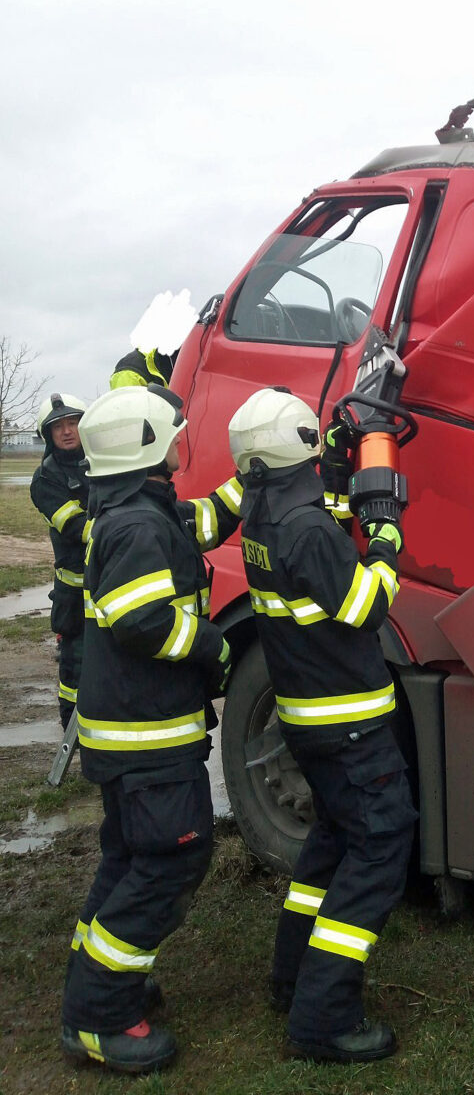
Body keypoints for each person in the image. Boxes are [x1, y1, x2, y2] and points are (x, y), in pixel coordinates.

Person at [228, 387, 416, 1063]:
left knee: (332, 845)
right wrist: (388, 533)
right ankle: (323, 1018)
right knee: (379, 846)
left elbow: (319, 539)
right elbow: (365, 603)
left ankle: (292, 976)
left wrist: (336, 472)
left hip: (310, 721)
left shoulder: (263, 512)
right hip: (351, 727)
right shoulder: (305, 530)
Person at [61, 383, 240, 1075]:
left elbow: (194, 525)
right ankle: (101, 1015)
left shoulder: (136, 509)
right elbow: (144, 622)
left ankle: (98, 977)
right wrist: (212, 647)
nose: (179, 443)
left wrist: (252, 486)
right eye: (170, 435)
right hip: (147, 737)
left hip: (130, 734)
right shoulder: (136, 526)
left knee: (130, 858)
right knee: (171, 859)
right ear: (147, 446)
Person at [29, 393, 90, 728]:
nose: (67, 431)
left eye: (73, 422)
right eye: (58, 427)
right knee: (75, 667)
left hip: (112, 580)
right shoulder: (45, 479)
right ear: (47, 434)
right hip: (75, 592)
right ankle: (72, 732)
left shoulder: (102, 461)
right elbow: (76, 526)